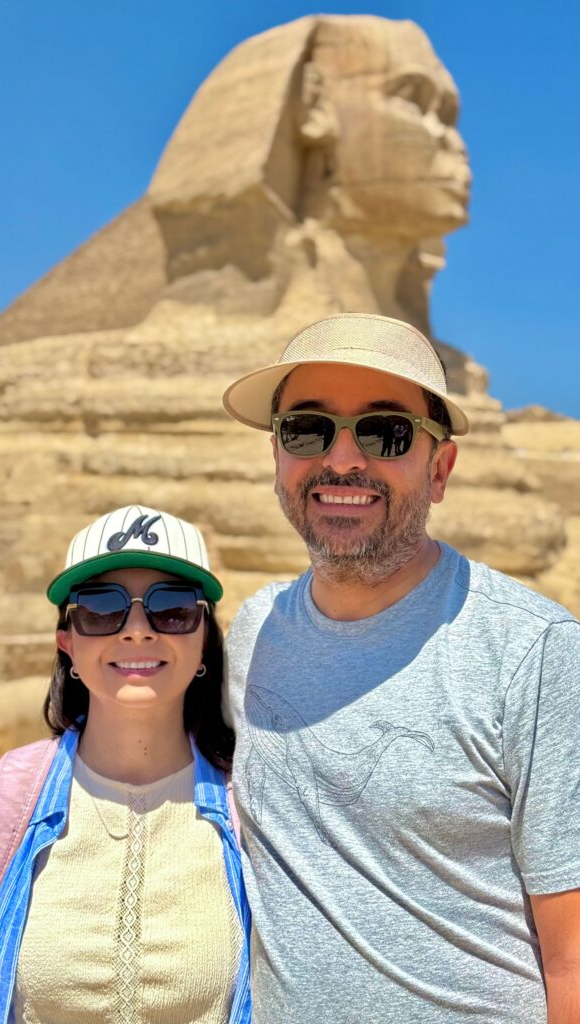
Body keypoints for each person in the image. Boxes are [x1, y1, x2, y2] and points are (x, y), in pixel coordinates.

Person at [222, 313, 580, 1024]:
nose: (343, 460)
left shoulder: (535, 650)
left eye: (385, 432)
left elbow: (573, 959)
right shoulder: (254, 634)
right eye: (307, 430)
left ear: (440, 470)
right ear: (277, 456)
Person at [0, 505, 251, 1024]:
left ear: (204, 636)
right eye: (101, 608)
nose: (136, 631)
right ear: (66, 641)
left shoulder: (254, 811)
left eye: (172, 608)